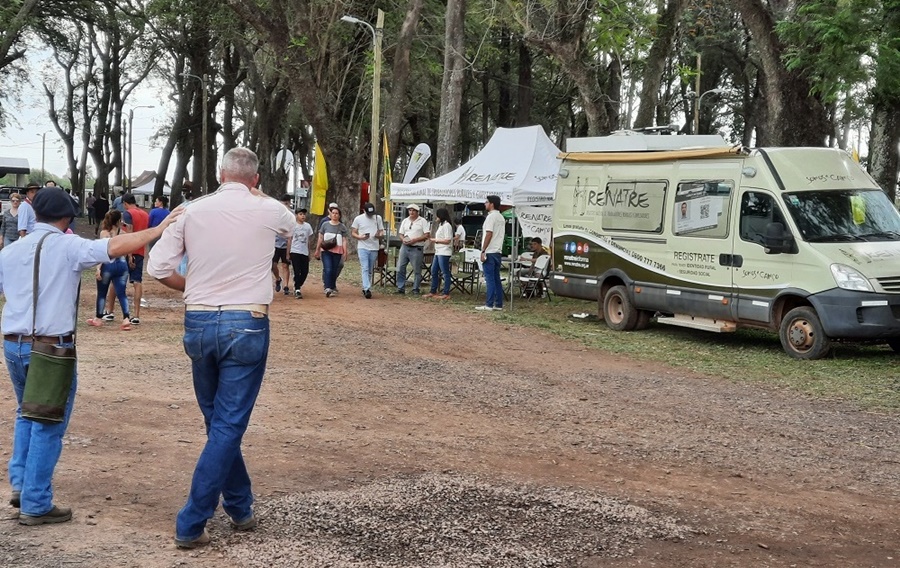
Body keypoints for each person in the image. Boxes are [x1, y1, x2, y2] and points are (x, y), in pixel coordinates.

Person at [0, 187, 178, 526]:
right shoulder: (69, 245)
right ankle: (36, 502)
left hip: (13, 342)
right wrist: (156, 230)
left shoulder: (11, 251)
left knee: (27, 413)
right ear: (67, 218)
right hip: (51, 348)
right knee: (48, 423)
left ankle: (22, 485)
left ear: (34, 214)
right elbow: (114, 246)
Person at [147, 147, 293, 549]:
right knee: (226, 425)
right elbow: (301, 231)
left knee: (218, 423)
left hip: (199, 318)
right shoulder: (268, 209)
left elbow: (157, 267)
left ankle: (241, 505)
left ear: (219, 174)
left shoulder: (191, 210)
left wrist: (190, 288)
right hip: (246, 320)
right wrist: (262, 199)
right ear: (256, 179)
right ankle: (192, 521)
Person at [86, 211, 133, 330]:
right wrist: (131, 259)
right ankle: (126, 318)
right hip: (122, 264)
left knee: (102, 293)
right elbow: (130, 246)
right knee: (121, 293)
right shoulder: (123, 233)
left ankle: (98, 318)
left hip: (108, 264)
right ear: (119, 220)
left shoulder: (104, 233)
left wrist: (98, 268)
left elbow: (102, 251)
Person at [122, 194, 149, 324]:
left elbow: (129, 233)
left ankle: (111, 312)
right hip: (141, 250)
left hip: (129, 250)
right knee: (137, 281)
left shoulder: (127, 214)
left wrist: (129, 253)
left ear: (125, 203)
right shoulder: (145, 214)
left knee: (119, 280)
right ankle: (136, 314)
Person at [476, 195, 506, 311]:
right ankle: (498, 304)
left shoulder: (490, 217)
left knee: (490, 279)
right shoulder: (501, 217)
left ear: (492, 204)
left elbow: (489, 233)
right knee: (496, 278)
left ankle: (489, 304)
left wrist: (483, 250)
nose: (485, 204)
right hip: (497, 251)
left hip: (490, 251)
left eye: (486, 202)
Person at [350, 202, 384, 299]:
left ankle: (366, 287)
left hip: (374, 246)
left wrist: (380, 235)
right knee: (364, 267)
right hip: (362, 246)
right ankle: (367, 288)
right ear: (363, 210)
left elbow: (381, 230)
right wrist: (360, 237)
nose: (371, 215)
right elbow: (353, 232)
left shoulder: (378, 218)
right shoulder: (358, 219)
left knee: (370, 269)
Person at [395, 203, 430, 294]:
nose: (411, 212)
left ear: (417, 212)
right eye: (410, 210)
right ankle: (401, 287)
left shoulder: (422, 221)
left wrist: (415, 240)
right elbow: (401, 234)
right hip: (405, 246)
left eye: (413, 210)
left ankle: (416, 288)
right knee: (400, 267)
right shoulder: (405, 221)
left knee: (417, 269)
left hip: (416, 247)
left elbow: (426, 234)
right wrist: (403, 240)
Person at [315, 206, 348, 297]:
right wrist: (317, 249)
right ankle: (328, 287)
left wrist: (345, 252)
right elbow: (320, 238)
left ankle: (332, 285)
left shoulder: (342, 227)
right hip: (326, 251)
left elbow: (344, 240)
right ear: (330, 214)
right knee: (328, 268)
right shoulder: (325, 224)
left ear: (339, 216)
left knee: (334, 269)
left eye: (336, 213)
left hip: (337, 251)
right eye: (333, 213)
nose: (334, 215)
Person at [423, 208, 454, 300]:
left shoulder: (447, 225)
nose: (436, 217)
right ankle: (433, 291)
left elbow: (448, 240)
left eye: (437, 215)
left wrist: (434, 240)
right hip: (438, 251)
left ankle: (446, 292)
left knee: (445, 272)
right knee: (433, 271)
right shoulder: (441, 225)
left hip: (444, 252)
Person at [289, 208, 313, 299]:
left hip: (304, 252)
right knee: (296, 270)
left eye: (304, 214)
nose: (303, 216)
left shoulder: (307, 226)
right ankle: (297, 289)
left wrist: (309, 253)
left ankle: (297, 284)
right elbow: (290, 240)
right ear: (296, 215)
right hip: (295, 251)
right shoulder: (293, 226)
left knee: (305, 271)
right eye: (301, 214)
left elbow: (308, 241)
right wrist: (288, 252)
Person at [271, 194, 293, 295]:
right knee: (273, 265)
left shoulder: (292, 214)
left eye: (285, 204)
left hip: (286, 244)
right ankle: (278, 278)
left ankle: (286, 286)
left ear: (289, 203)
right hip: (275, 244)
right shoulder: (275, 214)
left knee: (285, 265)